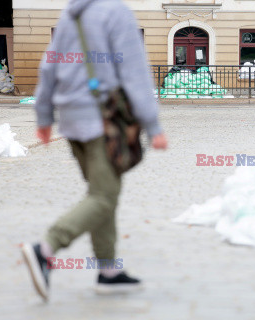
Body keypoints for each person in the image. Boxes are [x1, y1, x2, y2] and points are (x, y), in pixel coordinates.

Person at [21, 0, 167, 301]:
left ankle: (108, 271)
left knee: (102, 191)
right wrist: (153, 126)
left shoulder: (70, 13)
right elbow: (134, 69)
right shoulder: (116, 12)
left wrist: (44, 117)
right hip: (102, 118)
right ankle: (46, 248)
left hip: (71, 119)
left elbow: (49, 66)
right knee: (104, 196)